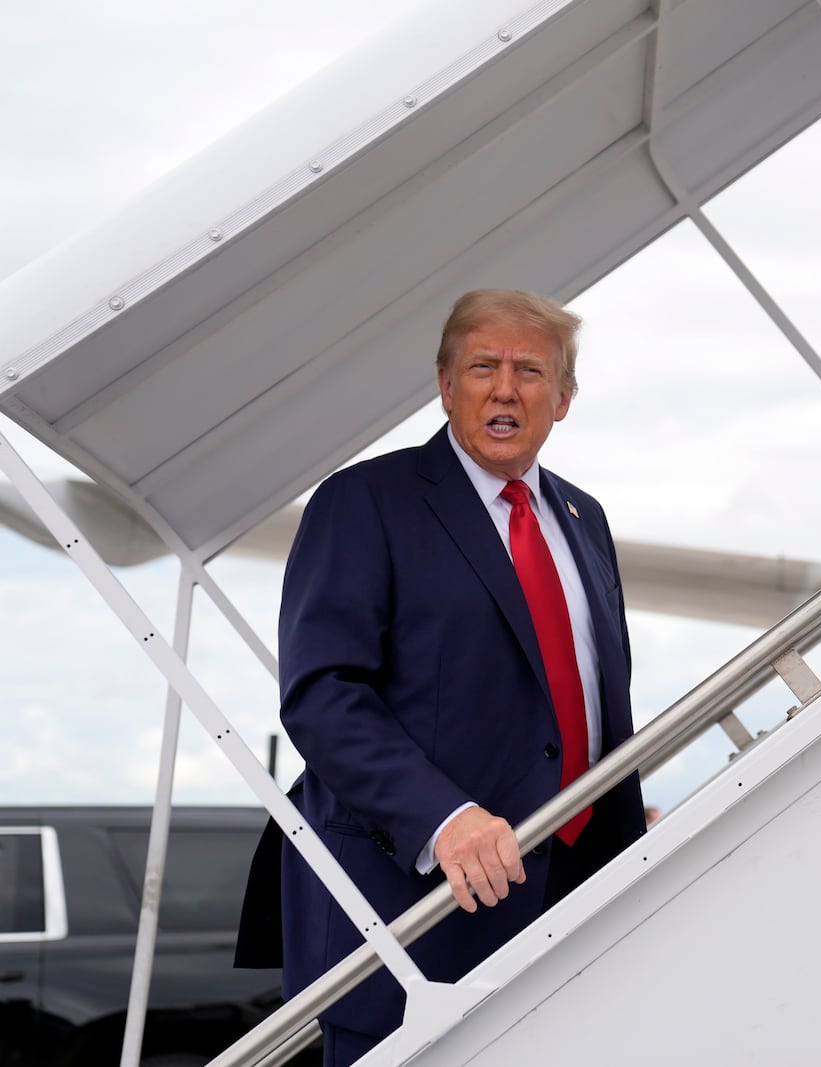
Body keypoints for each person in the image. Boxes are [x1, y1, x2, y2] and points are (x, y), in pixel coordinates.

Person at [236, 289, 646, 1065]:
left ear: (563, 398)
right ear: (445, 384)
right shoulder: (364, 501)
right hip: (410, 911)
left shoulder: (586, 520)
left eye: (530, 370)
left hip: (572, 905)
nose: (504, 388)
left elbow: (591, 704)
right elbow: (323, 694)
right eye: (482, 366)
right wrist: (443, 816)